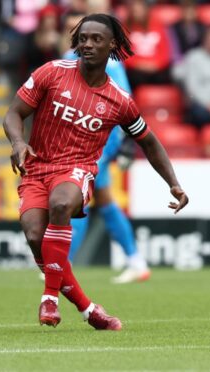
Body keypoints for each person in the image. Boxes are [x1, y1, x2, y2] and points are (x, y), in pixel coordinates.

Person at [3, 13, 189, 330]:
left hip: (78, 169)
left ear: (112, 45)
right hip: (36, 168)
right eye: (83, 38)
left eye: (96, 39)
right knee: (36, 236)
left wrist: (174, 183)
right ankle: (89, 309)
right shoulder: (51, 72)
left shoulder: (119, 100)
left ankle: (49, 297)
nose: (87, 44)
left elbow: (149, 142)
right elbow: (14, 113)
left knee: (61, 204)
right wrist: (19, 142)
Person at [61, 26, 150, 284]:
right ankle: (135, 261)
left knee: (79, 198)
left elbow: (123, 100)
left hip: (101, 139)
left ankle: (62, 262)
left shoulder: (109, 62)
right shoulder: (68, 58)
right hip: (79, 138)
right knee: (103, 200)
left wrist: (126, 142)